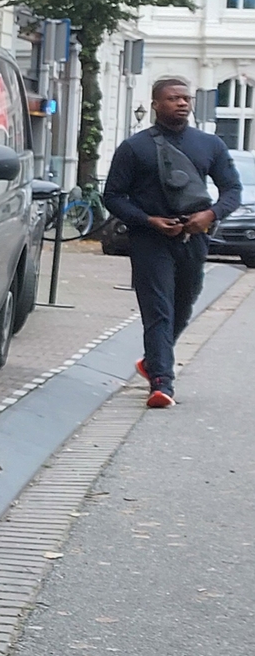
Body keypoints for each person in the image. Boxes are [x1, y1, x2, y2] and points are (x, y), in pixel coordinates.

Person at [101, 74, 242, 407]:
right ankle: (162, 384)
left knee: (184, 304)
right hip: (150, 240)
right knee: (158, 310)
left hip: (195, 237)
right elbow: (113, 196)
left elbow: (232, 189)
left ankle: (153, 362)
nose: (181, 103)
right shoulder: (134, 147)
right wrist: (148, 220)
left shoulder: (210, 145)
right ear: (155, 104)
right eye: (173, 98)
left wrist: (210, 215)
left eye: (186, 98)